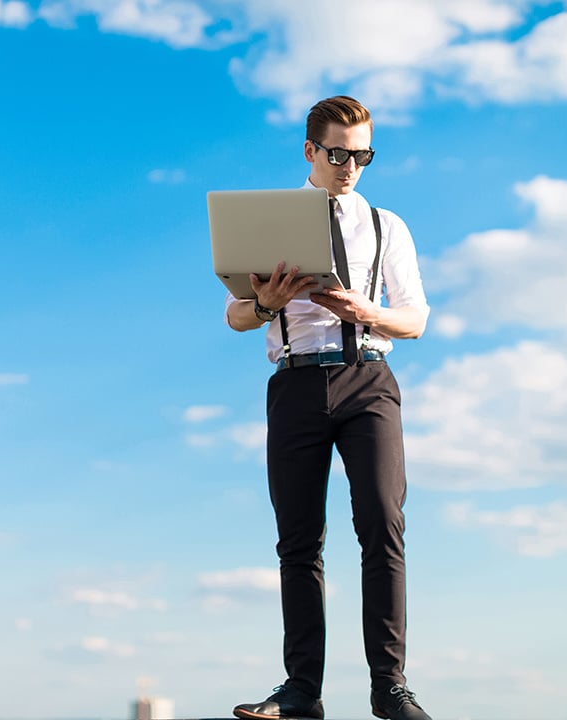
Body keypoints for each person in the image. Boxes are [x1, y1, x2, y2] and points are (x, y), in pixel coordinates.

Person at [225, 96, 432, 720]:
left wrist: (364, 312)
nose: (350, 166)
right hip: (294, 383)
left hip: (368, 378)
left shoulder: (387, 225)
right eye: (338, 153)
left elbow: (416, 319)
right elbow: (236, 316)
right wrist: (266, 303)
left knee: (382, 528)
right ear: (311, 151)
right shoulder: (266, 222)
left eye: (362, 154)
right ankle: (301, 693)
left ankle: (390, 688)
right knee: (298, 542)